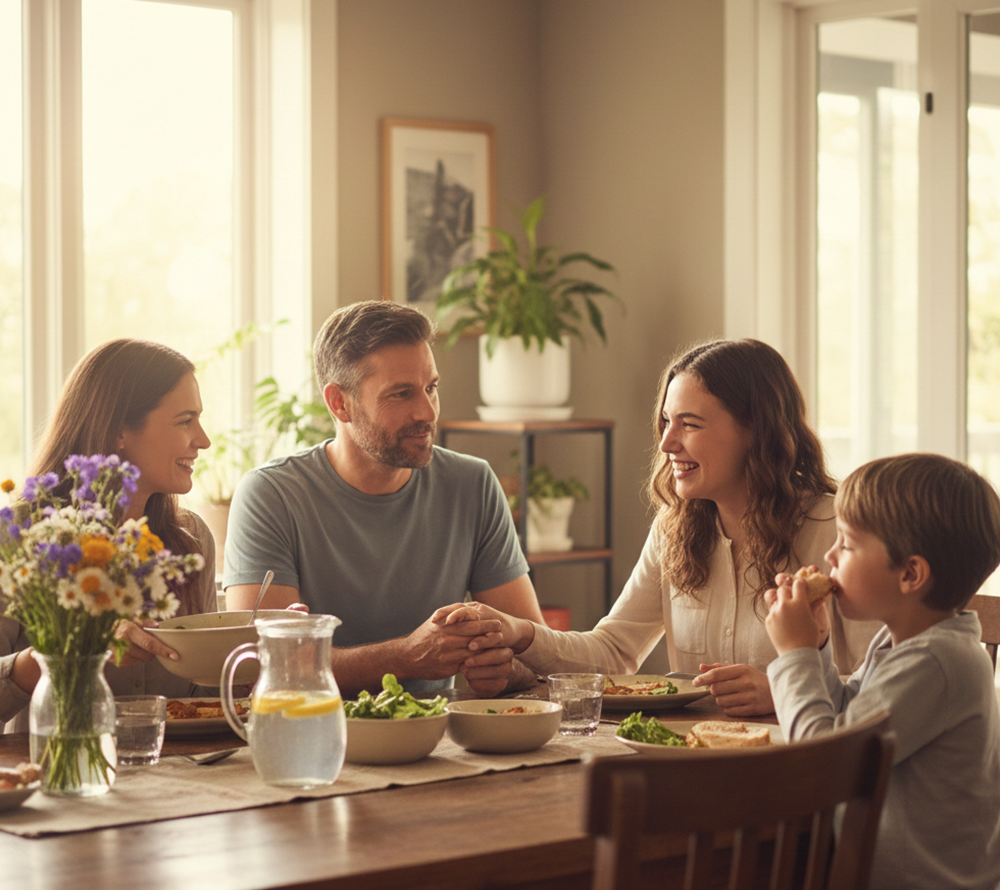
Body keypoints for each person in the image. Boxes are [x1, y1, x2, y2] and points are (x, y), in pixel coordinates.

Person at [438, 338, 880, 715]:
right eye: (667, 421)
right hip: (693, 759)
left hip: (802, 768)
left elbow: (885, 684)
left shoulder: (840, 532)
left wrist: (780, 689)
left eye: (690, 424)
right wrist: (520, 632)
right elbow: (613, 652)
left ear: (756, 431)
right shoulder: (674, 530)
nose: (667, 443)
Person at [224, 300, 545, 698]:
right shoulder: (271, 495)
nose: (427, 412)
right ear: (340, 403)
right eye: (401, 394)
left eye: (431, 388)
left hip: (440, 732)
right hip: (316, 728)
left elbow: (536, 656)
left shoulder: (472, 484)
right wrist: (406, 657)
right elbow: (261, 666)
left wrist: (503, 669)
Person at [764, 453, 1000, 890]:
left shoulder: (935, 663)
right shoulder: (905, 642)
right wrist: (818, 644)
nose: (830, 555)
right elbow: (847, 719)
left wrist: (794, 652)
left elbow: (822, 765)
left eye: (847, 544)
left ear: (910, 573)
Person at [0, 339, 216, 732]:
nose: (203, 440)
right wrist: (73, 651)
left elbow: (206, 696)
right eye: (185, 421)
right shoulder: (17, 538)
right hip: (52, 766)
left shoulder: (191, 539)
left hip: (176, 768)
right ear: (119, 431)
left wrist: (259, 649)